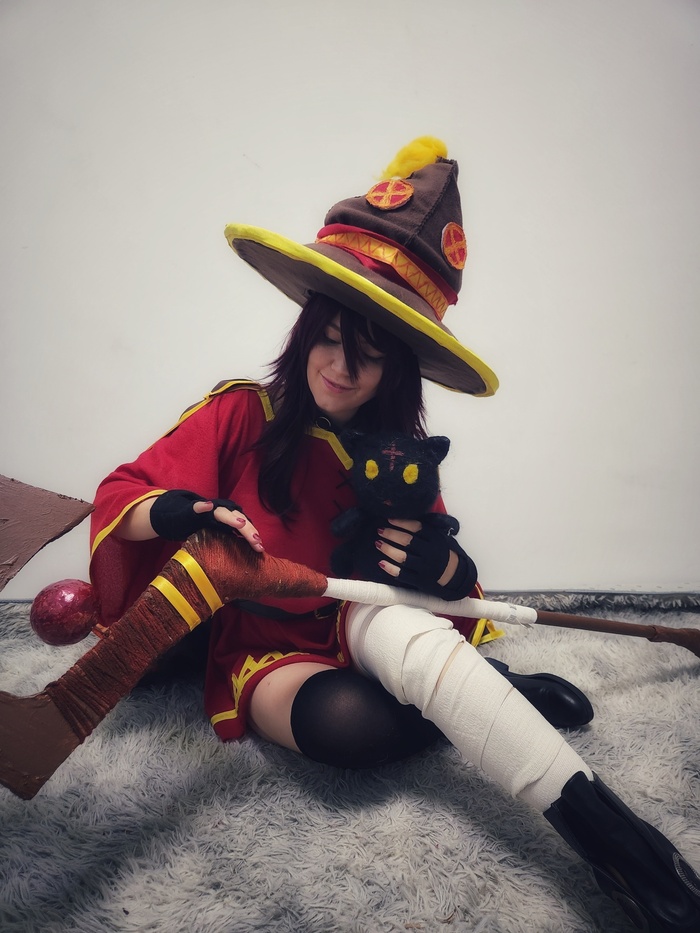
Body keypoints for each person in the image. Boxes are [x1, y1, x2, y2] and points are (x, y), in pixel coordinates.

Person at [1, 138, 698, 932]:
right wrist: (183, 512)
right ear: (307, 332)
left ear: (396, 371)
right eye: (329, 340)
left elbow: (445, 582)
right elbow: (123, 496)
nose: (339, 367)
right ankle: (494, 698)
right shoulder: (242, 412)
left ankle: (630, 851)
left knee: (410, 641)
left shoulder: (398, 455)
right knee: (349, 729)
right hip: (269, 645)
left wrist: (442, 564)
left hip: (368, 618)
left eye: (367, 357)